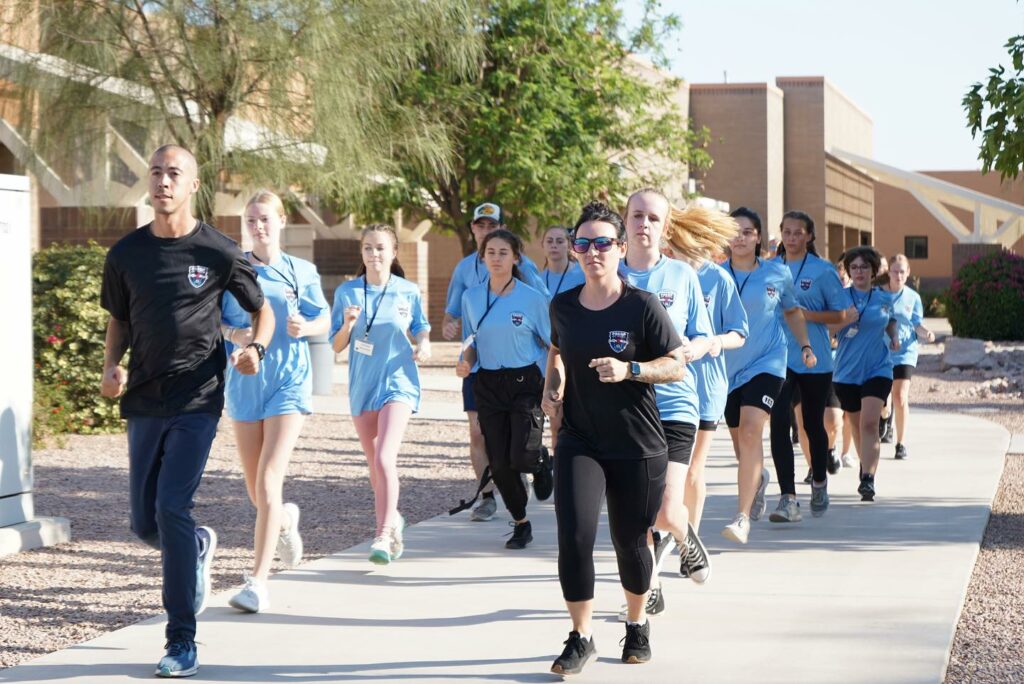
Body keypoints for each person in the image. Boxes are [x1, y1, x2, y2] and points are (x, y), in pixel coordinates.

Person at [100, 144, 274, 678]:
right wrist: (111, 365)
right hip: (145, 401)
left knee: (173, 506)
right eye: (155, 172)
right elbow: (121, 321)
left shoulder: (219, 251)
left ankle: (181, 640)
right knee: (143, 522)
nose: (163, 181)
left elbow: (261, 310)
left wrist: (255, 350)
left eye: (174, 173)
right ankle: (197, 546)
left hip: (198, 400)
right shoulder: (126, 254)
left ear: (193, 185)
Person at [544, 201, 684, 675]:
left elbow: (677, 364)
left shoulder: (641, 306)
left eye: (603, 243)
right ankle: (580, 636)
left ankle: (637, 622)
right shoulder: (563, 305)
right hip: (580, 439)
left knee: (630, 541)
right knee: (575, 537)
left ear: (621, 249)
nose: (591, 251)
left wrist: (632, 369)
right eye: (583, 243)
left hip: (637, 444)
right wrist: (553, 389)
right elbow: (557, 353)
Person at [221, 190, 331, 612]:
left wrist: (308, 325)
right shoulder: (235, 268)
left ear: (281, 221)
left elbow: (325, 316)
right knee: (256, 491)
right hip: (245, 382)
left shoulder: (302, 270)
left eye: (265, 218)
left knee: (269, 480)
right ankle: (285, 519)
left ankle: (258, 582)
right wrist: (237, 336)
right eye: (251, 220)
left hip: (289, 380)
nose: (258, 226)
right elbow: (215, 320)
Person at [617, 189, 714, 618]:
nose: (644, 225)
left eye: (653, 218)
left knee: (667, 509)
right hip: (623, 406)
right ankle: (648, 584)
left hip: (674, 403)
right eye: (636, 216)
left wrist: (693, 347)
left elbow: (705, 335)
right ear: (624, 221)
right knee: (634, 511)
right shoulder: (608, 275)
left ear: (665, 227)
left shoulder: (682, 275)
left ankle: (686, 536)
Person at [331, 224, 431, 564]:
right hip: (363, 385)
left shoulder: (407, 290)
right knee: (375, 466)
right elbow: (337, 345)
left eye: (380, 248)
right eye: (368, 248)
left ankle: (384, 534)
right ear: (362, 252)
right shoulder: (347, 292)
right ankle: (395, 518)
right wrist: (347, 324)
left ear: (393, 253)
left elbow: (420, 326)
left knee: (386, 457)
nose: (374, 254)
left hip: (398, 380)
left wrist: (424, 345)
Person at [441, 203, 548, 522]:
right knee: (484, 441)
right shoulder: (467, 280)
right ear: (473, 229)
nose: (486, 231)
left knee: (521, 452)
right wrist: (461, 352)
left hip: (522, 376)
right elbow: (463, 326)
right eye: (480, 225)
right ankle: (500, 505)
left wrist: (552, 376)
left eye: (493, 225)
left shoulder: (527, 279)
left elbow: (546, 326)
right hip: (482, 375)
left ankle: (537, 460)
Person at [720, 207, 816, 544]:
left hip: (768, 363)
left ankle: (742, 517)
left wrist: (804, 345)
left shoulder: (777, 274)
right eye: (735, 231)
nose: (741, 237)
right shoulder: (714, 276)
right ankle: (757, 479)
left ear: (759, 237)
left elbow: (791, 310)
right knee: (740, 445)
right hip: (728, 370)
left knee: (750, 433)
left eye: (748, 232)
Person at [662, 203, 748, 569]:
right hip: (667, 385)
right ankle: (673, 529)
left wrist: (715, 342)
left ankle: (688, 543)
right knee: (666, 472)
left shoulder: (719, 279)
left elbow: (739, 333)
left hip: (708, 385)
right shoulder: (666, 275)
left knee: (694, 470)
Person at [768, 211, 857, 522]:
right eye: (787, 232)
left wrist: (806, 315)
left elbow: (841, 315)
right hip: (777, 358)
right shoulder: (770, 268)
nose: (791, 238)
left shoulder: (822, 271)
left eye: (798, 233)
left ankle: (819, 480)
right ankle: (787, 497)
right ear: (781, 234)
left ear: (809, 237)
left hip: (814, 358)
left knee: (812, 426)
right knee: (779, 424)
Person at [831, 247, 900, 502]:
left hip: (878, 368)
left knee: (869, 423)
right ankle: (865, 464)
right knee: (858, 426)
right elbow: (828, 330)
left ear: (873, 271)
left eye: (864, 267)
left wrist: (894, 337)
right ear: (848, 271)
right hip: (847, 372)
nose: (859, 272)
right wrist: (844, 319)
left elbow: (891, 320)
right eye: (855, 267)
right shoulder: (839, 298)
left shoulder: (883, 298)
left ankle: (868, 479)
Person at [882, 254, 936, 460]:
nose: (898, 275)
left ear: (908, 274)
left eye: (902, 272)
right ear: (889, 272)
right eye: (895, 271)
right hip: (881, 352)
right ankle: (884, 417)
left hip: (905, 352)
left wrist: (927, 333)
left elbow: (916, 323)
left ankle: (901, 443)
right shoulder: (879, 294)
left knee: (900, 396)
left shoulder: (913, 297)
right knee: (882, 402)